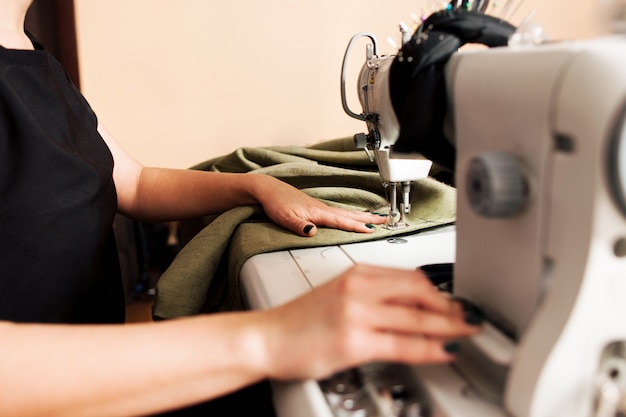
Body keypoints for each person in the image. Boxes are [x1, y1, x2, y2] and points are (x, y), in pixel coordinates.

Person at [0, 1, 482, 415]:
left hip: (98, 378)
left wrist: (255, 187)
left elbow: (135, 182)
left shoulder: (36, 60)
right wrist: (271, 337)